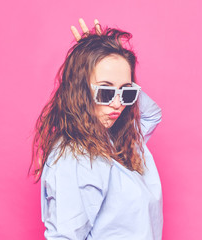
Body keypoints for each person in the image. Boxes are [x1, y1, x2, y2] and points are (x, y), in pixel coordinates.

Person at [30, 18, 163, 240]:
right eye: (105, 91)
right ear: (80, 90)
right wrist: (86, 64)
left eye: (126, 92)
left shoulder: (120, 138)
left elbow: (152, 114)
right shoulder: (77, 157)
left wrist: (104, 57)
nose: (118, 104)